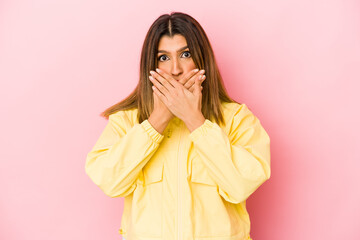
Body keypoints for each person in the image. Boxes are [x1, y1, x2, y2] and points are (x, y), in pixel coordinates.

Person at [85, 12, 271, 240]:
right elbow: (109, 181)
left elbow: (241, 184)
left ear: (202, 60)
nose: (175, 69)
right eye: (163, 57)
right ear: (150, 66)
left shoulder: (237, 119)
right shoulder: (127, 120)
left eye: (185, 54)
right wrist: (157, 120)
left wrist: (195, 121)